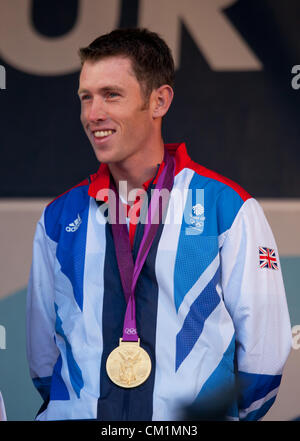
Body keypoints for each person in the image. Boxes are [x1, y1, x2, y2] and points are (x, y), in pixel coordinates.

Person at [26, 28, 291, 421]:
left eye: (111, 95)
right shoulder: (58, 218)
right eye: (86, 97)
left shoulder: (226, 206)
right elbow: (43, 361)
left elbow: (264, 359)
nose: (92, 114)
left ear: (159, 101)